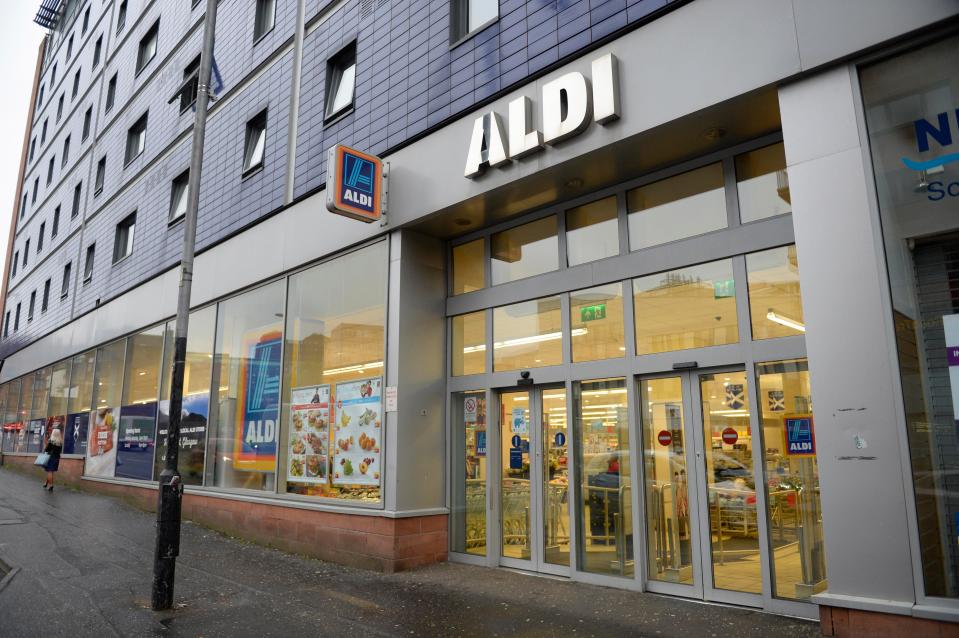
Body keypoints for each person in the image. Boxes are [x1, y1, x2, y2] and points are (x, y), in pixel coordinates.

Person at [42, 428, 63, 492]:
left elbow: (46, 450)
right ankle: (46, 483)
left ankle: (51, 485)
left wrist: (46, 444)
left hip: (50, 457)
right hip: (56, 458)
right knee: (51, 471)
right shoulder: (60, 443)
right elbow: (59, 451)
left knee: (49, 471)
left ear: (53, 433)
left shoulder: (51, 441)